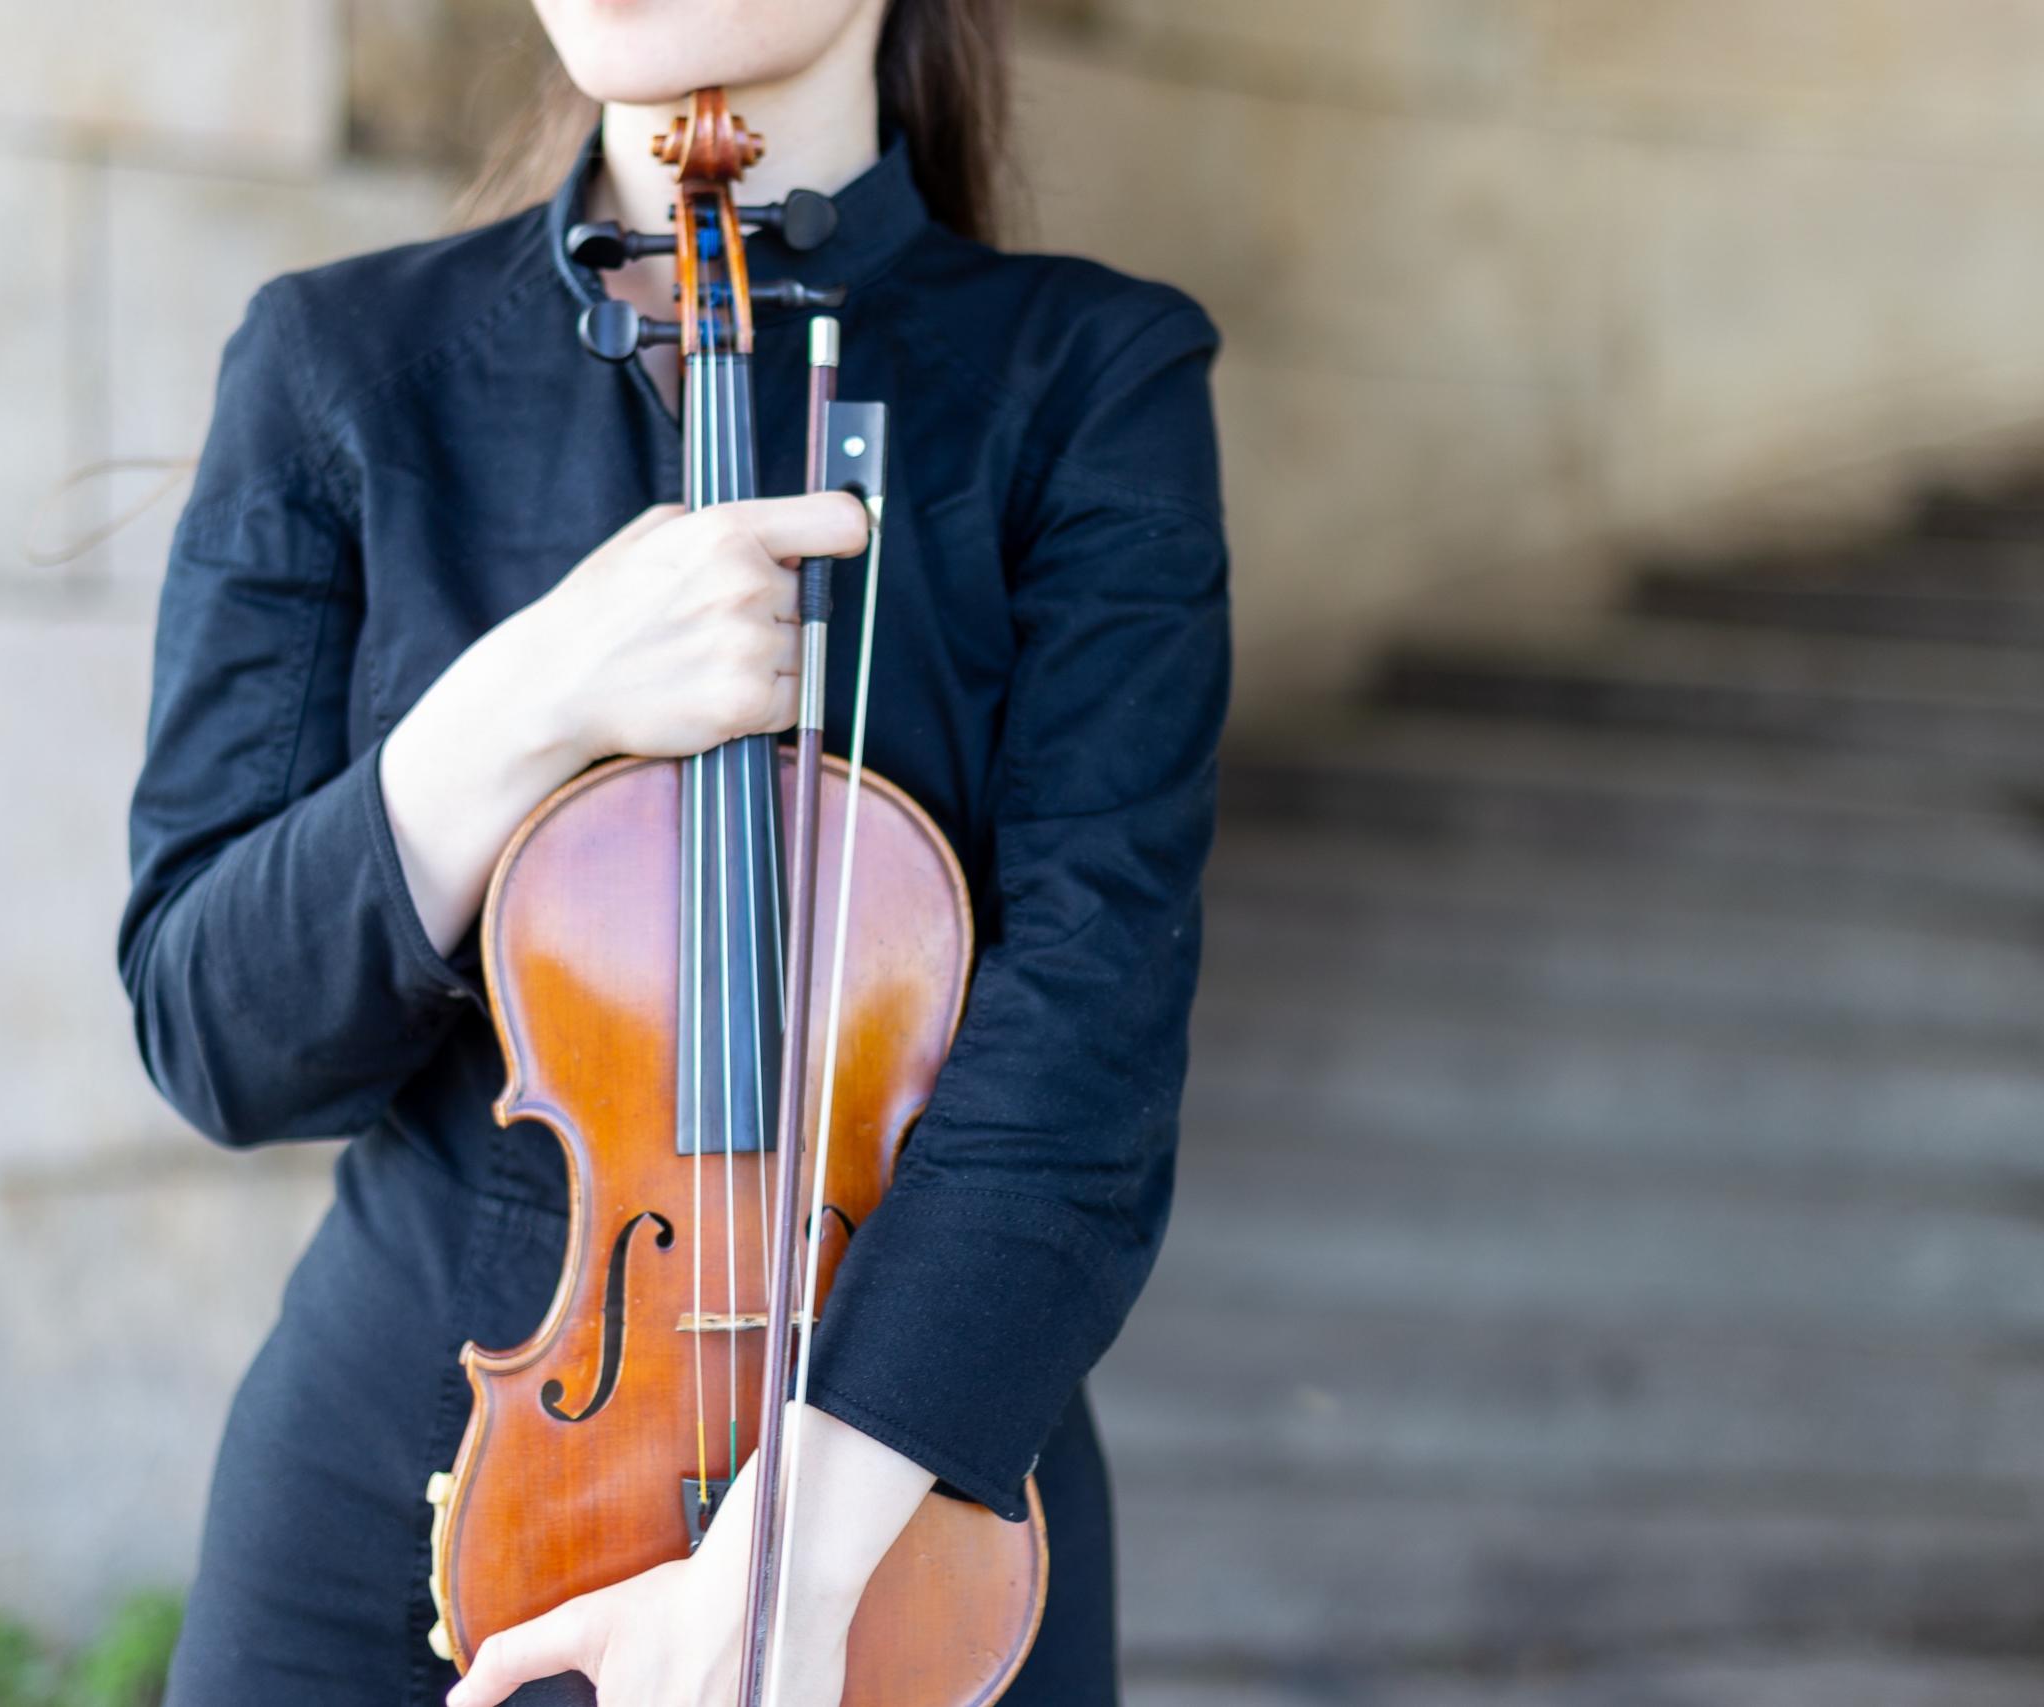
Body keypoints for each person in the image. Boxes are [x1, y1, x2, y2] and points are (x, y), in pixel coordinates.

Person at [117, 0, 1228, 1700]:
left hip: (907, 1498)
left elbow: (1091, 1043)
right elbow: (217, 1034)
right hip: (405, 1483)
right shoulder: (338, 367)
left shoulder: (1090, 382)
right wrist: (530, 700)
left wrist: (790, 1562)